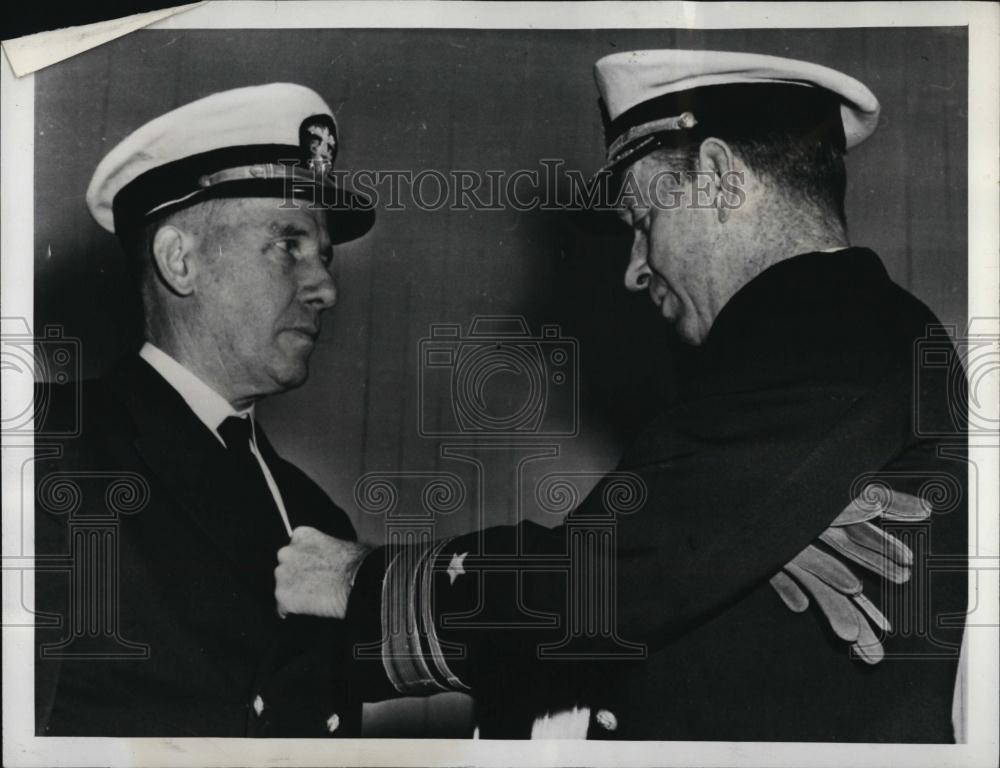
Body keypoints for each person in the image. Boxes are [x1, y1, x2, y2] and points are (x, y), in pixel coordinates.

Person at [275, 50, 968, 741]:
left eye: (642, 219)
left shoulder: (829, 326)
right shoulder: (803, 345)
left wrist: (359, 582)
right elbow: (668, 567)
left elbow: (610, 575)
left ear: (723, 180)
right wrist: (742, 549)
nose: (636, 270)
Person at [34, 83, 376, 736]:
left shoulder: (314, 516)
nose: (326, 286)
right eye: (289, 245)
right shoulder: (47, 450)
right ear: (180, 260)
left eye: (324, 255)